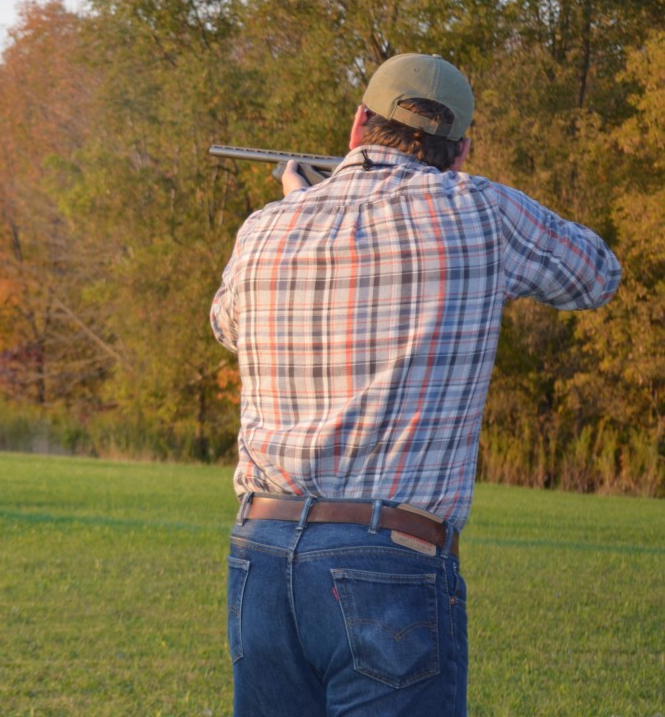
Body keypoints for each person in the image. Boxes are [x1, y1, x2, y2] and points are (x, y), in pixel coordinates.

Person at [209, 53, 620, 716]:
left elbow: (229, 326)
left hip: (262, 548)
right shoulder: (483, 211)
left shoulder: (264, 227)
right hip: (391, 558)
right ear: (458, 149)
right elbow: (598, 274)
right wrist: (477, 196)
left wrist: (298, 202)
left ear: (357, 125)